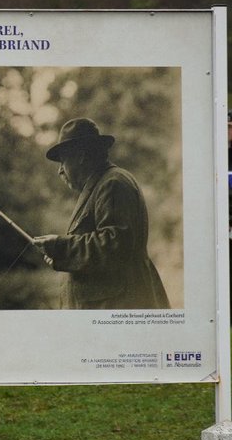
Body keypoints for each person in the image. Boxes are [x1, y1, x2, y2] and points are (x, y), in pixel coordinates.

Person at [31, 117, 169, 309]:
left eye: (63, 161)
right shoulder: (100, 185)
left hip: (118, 308)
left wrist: (60, 248)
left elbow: (114, 244)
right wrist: (60, 256)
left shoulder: (113, 184)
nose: (60, 171)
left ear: (80, 156)